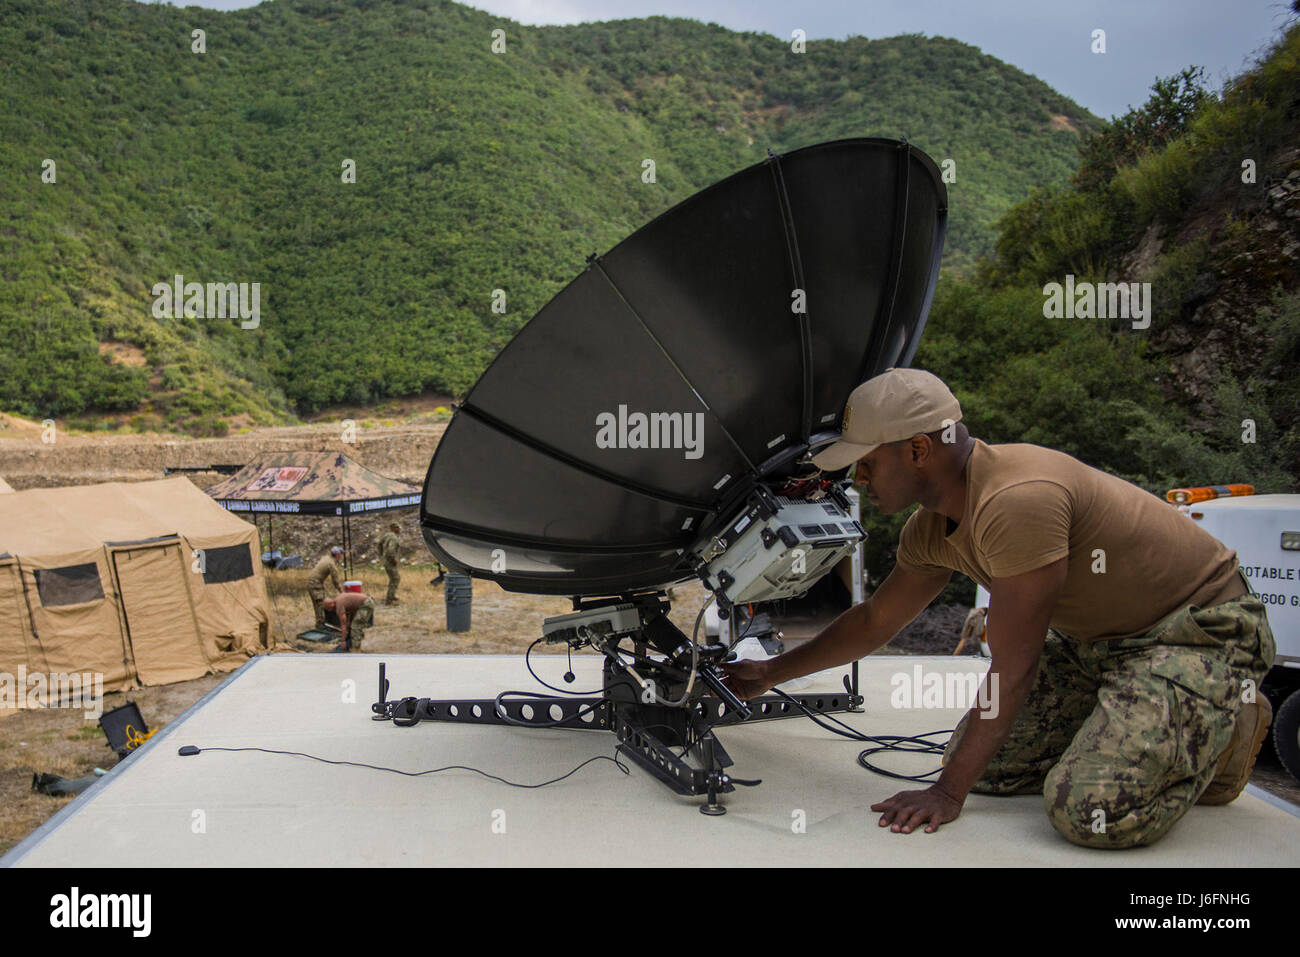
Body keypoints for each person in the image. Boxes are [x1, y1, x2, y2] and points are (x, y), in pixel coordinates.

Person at [721, 367, 1275, 849]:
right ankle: (1132, 715)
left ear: (918, 449)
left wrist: (947, 793)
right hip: (1098, 643)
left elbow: (1014, 667)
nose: (856, 478)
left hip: (1195, 633)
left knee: (1088, 812)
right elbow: (875, 621)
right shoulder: (930, 528)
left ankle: (1229, 725)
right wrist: (771, 672)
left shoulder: (1018, 500)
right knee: (989, 766)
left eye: (865, 463)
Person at [306, 546, 345, 627]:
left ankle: (320, 623)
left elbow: (319, 571)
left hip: (313, 582)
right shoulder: (331, 564)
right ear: (337, 555)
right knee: (320, 604)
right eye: (341, 554)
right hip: (315, 584)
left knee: (318, 603)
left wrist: (321, 582)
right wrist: (342, 592)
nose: (342, 556)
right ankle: (320, 625)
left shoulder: (326, 558)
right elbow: (336, 581)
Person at [378, 522, 402, 605]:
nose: (399, 529)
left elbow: (379, 544)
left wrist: (381, 555)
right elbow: (390, 550)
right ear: (393, 528)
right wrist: (393, 559)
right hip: (390, 562)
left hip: (386, 561)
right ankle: (389, 600)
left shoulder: (387, 535)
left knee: (393, 579)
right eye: (397, 528)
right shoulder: (394, 538)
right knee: (395, 579)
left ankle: (392, 595)